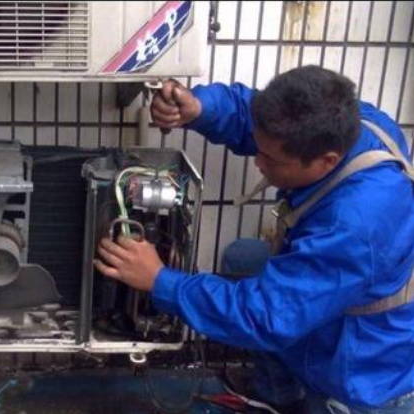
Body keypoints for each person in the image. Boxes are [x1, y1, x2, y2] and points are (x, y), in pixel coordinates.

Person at [94, 65, 414, 414]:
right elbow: (255, 114)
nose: (258, 162)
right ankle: (276, 398)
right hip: (340, 297)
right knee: (245, 259)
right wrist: (200, 107)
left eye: (271, 159)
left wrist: (160, 281)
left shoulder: (354, 226)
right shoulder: (360, 124)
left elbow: (265, 315)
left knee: (264, 307)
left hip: (364, 374)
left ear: (327, 161)